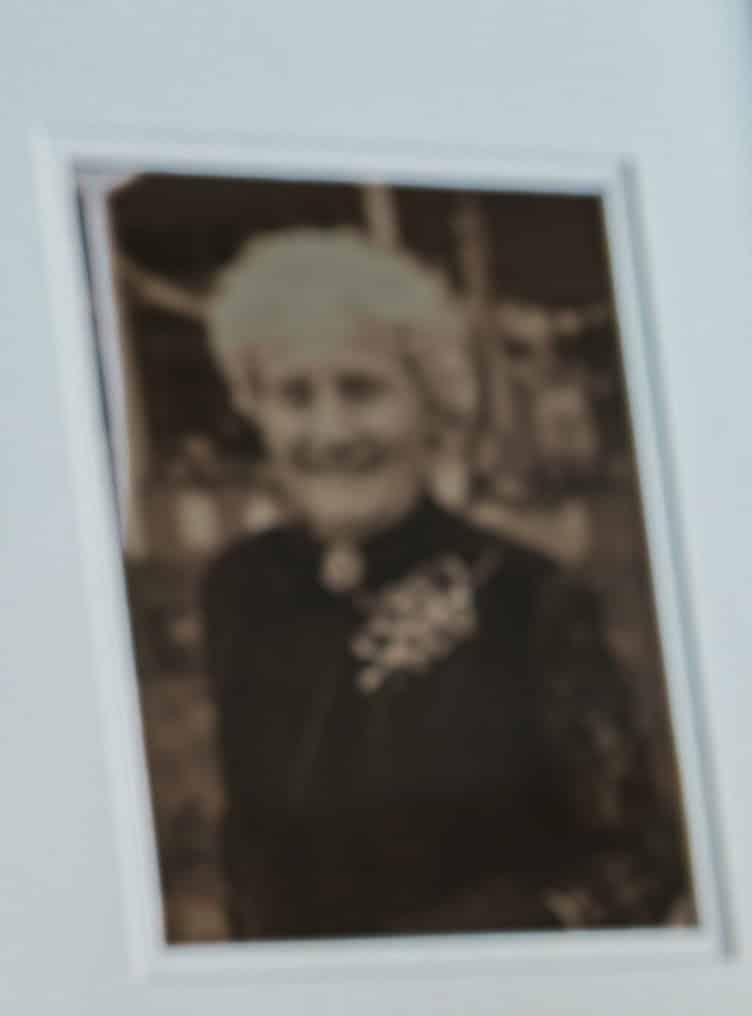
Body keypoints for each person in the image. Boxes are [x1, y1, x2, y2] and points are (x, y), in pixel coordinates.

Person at [198, 227, 688, 940]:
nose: (331, 431)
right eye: (294, 395)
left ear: (431, 402)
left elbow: (640, 861)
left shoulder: (528, 597)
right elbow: (249, 847)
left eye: (362, 389)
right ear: (256, 409)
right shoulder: (240, 587)